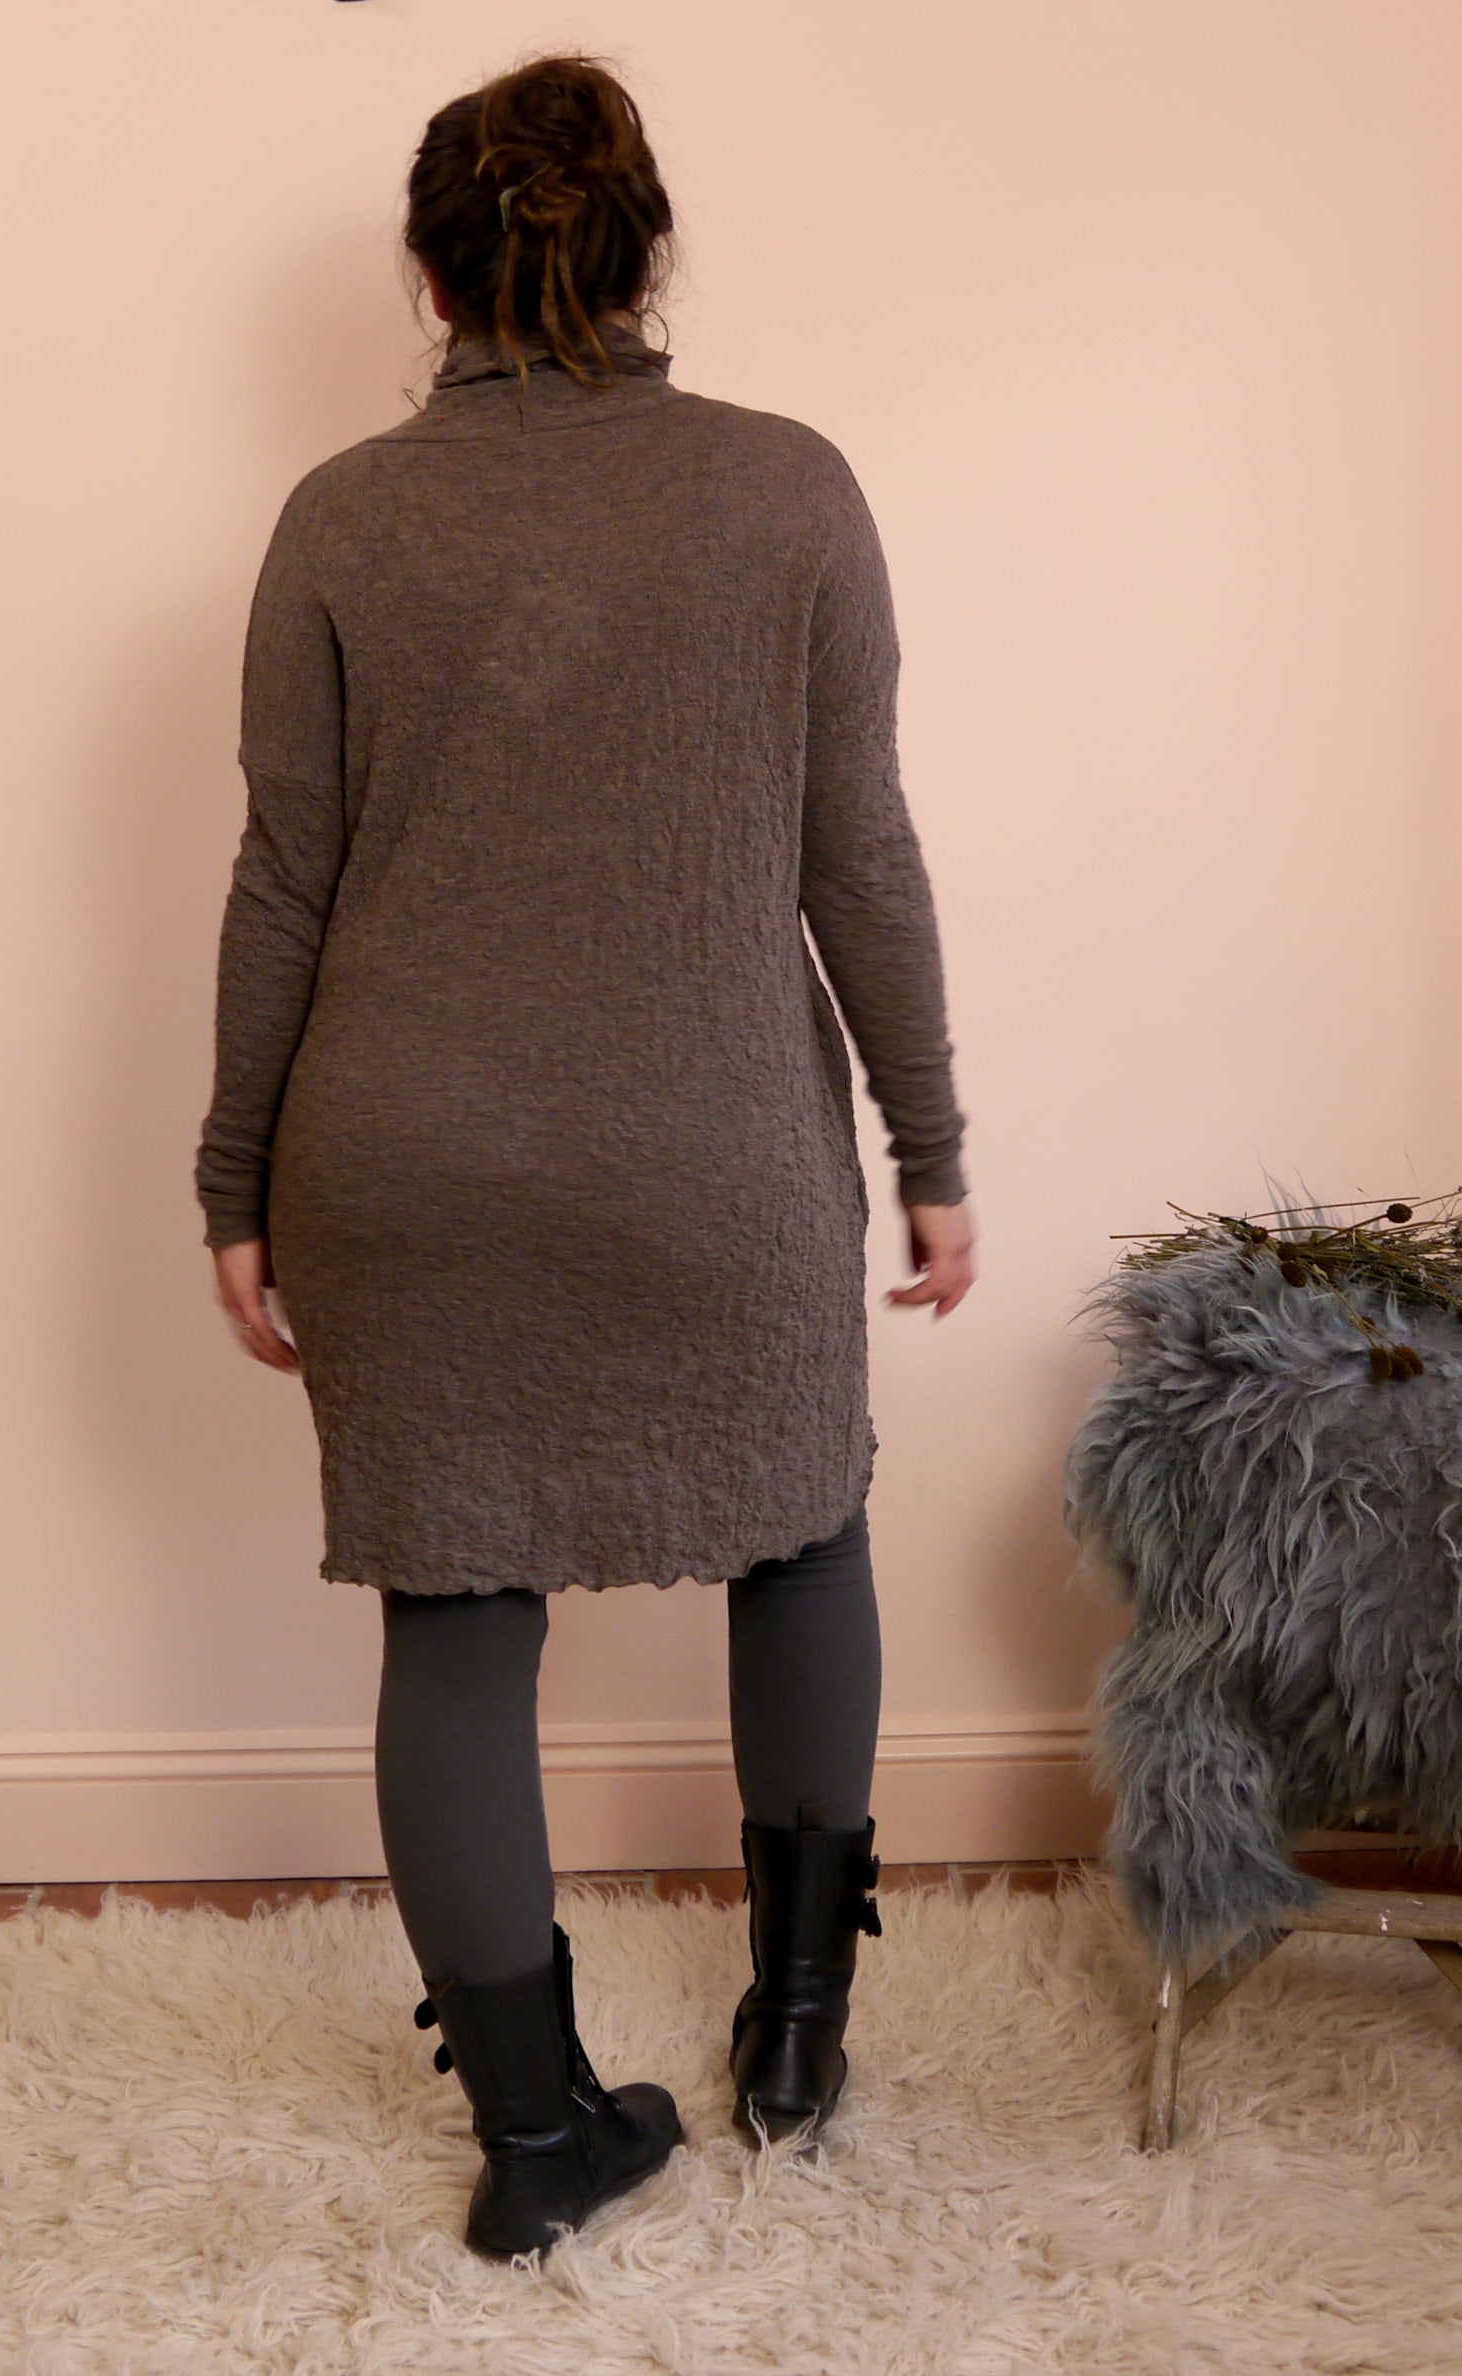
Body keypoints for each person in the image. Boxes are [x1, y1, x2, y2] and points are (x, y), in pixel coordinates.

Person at [194, 53, 974, 2262]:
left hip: (403, 1156)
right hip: (711, 1146)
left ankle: (538, 2138)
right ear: (646, 262)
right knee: (802, 1540)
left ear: (431, 276)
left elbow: (284, 881)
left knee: (456, 1611)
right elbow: (864, 857)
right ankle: (798, 2037)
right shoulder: (789, 492)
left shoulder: (341, 514)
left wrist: (230, 1179)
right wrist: (928, 1138)